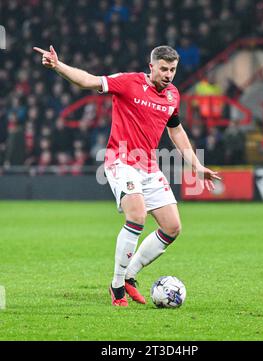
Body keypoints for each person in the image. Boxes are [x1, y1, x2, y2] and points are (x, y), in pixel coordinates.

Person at [33, 44, 220, 307]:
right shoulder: (128, 82)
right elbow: (88, 81)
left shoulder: (173, 95)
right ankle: (117, 285)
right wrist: (58, 65)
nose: (168, 74)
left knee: (172, 227)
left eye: (173, 70)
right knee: (137, 215)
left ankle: (130, 276)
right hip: (120, 160)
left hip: (149, 166)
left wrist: (196, 165)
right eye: (164, 69)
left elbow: (175, 130)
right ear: (151, 66)